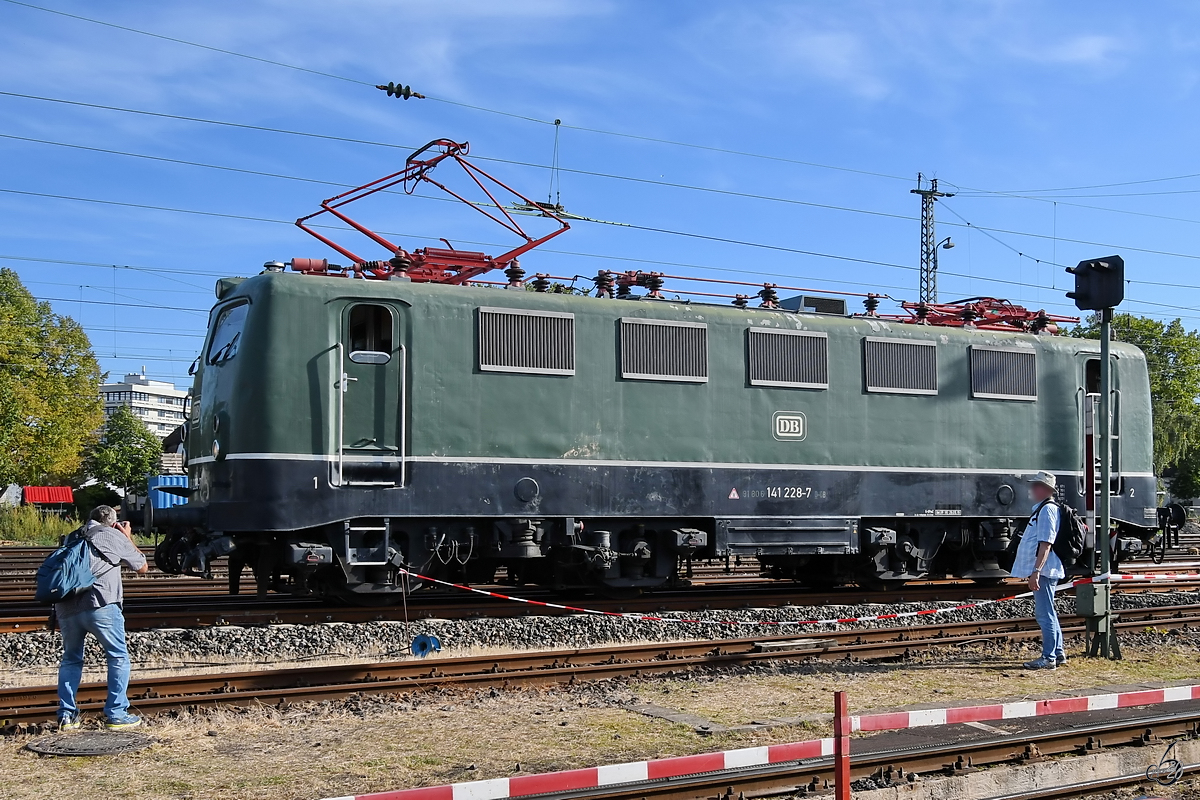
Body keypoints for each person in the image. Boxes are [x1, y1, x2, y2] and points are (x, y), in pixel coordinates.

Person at [55, 504, 148, 731]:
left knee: (71, 659)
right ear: (112, 521)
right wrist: (126, 537)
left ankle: (67, 716)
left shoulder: (73, 536)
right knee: (117, 657)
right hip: (101, 605)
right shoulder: (111, 535)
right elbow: (142, 566)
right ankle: (116, 714)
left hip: (66, 608)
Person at [1010, 471, 1066, 670]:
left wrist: (1036, 571)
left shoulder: (1047, 510)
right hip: (1046, 569)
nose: (1032, 489)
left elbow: (1046, 544)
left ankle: (1049, 657)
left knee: (1045, 614)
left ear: (1046, 489)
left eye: (1036, 485)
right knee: (1049, 611)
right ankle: (1058, 654)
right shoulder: (1044, 509)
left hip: (1045, 570)